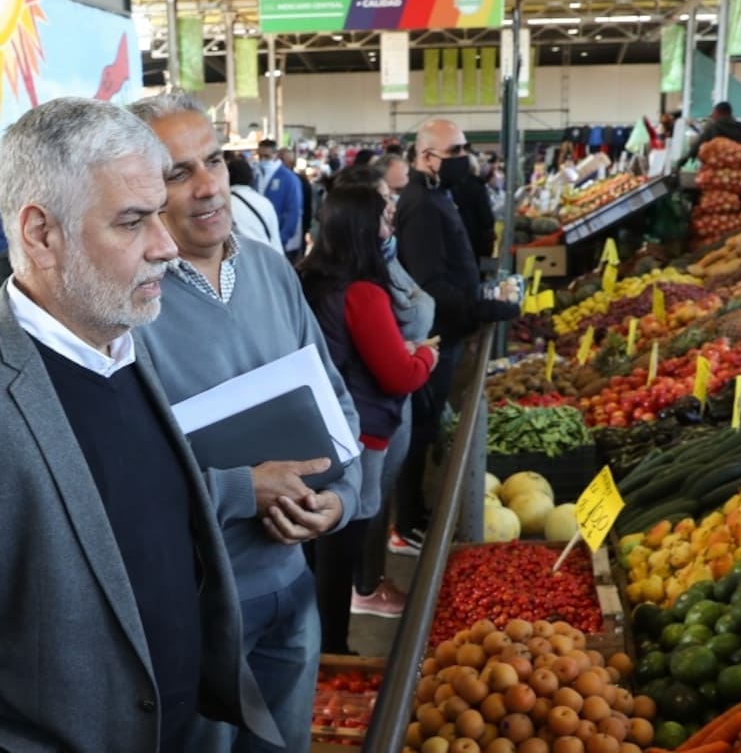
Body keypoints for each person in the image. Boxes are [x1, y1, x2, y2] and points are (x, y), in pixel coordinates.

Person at [0, 97, 279, 751]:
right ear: (40, 233)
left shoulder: (122, 341)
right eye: (132, 221)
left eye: (159, 213)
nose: (166, 245)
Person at [129, 92, 363, 753]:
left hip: (292, 583)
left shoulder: (269, 269)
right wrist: (239, 489)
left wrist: (339, 503)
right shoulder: (127, 304)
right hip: (193, 608)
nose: (207, 187)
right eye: (178, 173)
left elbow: (335, 403)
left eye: (213, 161)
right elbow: (116, 483)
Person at [298, 185, 439, 647]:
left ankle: (311, 644)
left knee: (312, 545)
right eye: (383, 218)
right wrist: (425, 356)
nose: (389, 227)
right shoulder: (362, 293)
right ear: (364, 228)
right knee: (341, 547)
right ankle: (333, 648)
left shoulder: (306, 279)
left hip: (308, 430)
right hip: (357, 435)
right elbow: (399, 376)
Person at [392, 118, 519, 552]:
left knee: (427, 425)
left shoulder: (436, 194)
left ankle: (414, 514)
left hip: (446, 333)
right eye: (456, 151)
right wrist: (480, 308)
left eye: (465, 148)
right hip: (434, 338)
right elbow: (431, 284)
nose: (465, 158)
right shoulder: (421, 206)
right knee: (420, 428)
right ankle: (406, 523)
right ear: (427, 156)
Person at [255, 139, 304, 260]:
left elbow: (294, 211)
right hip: (260, 239)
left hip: (281, 242)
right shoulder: (256, 176)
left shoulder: (289, 179)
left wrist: (282, 239)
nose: (263, 160)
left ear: (275, 155)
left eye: (266, 156)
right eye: (260, 156)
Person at [226, 154, 284, 254]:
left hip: (246, 258)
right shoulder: (265, 202)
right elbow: (275, 240)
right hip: (270, 256)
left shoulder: (225, 205)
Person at [452, 151, 498, 263]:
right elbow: (486, 217)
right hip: (476, 238)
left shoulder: (450, 185)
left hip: (455, 237)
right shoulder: (477, 187)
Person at [678, 101, 741, 167]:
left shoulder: (714, 126)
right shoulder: (740, 129)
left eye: (714, 112)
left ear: (718, 113)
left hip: (716, 166)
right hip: (736, 167)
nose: (712, 115)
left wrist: (684, 159)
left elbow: (699, 143)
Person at [279, 147, 315, 255]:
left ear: (291, 163)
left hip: (297, 231)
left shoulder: (301, 181)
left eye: (281, 159)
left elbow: (307, 207)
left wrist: (306, 228)